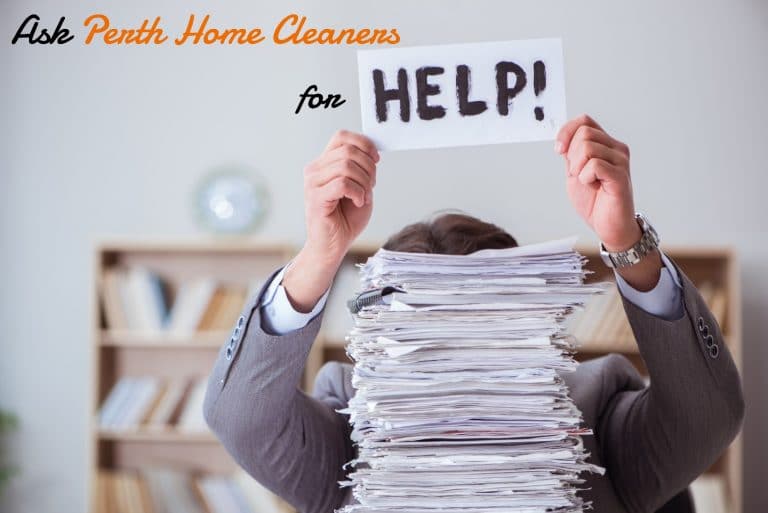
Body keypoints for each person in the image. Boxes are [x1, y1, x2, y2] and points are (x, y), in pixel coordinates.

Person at [203, 115, 744, 513]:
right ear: (382, 334)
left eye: (482, 318)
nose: (455, 353)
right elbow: (241, 418)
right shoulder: (349, 421)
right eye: (426, 326)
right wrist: (321, 253)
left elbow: (708, 415)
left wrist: (626, 243)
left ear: (529, 318)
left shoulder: (595, 408)